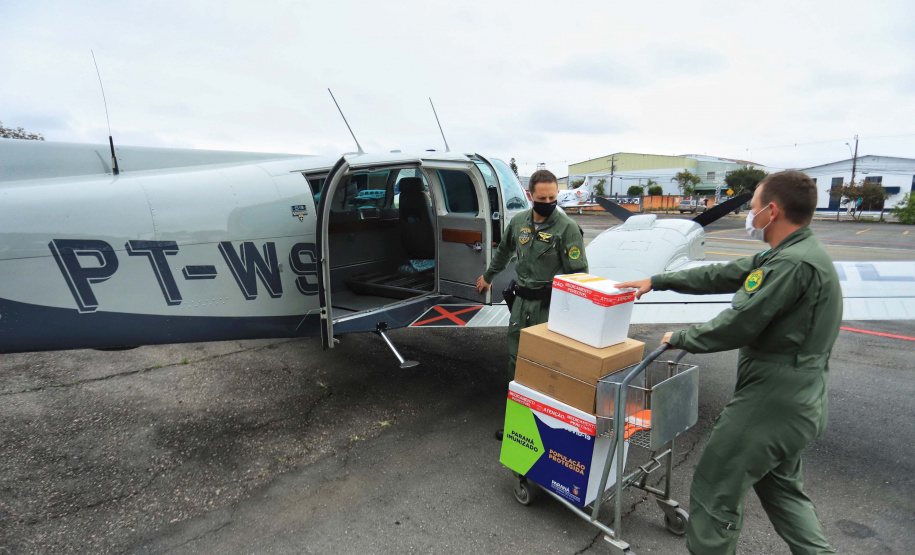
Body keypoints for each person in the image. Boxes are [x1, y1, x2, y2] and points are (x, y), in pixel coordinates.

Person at [617, 170, 840, 555]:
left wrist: (681, 337)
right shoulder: (790, 254)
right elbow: (724, 273)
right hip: (798, 400)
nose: (748, 215)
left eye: (751, 207)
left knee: (713, 488)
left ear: (772, 210)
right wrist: (657, 280)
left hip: (771, 401)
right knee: (782, 491)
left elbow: (742, 323)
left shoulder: (792, 264)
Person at [477, 170, 589, 439]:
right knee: (517, 364)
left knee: (546, 368)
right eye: (542, 197)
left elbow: (580, 276)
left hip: (549, 309)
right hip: (521, 305)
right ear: (530, 196)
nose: (548, 202)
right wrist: (488, 277)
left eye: (553, 197)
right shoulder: (518, 223)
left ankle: (548, 429)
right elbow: (504, 251)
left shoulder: (567, 229)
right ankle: (520, 425)